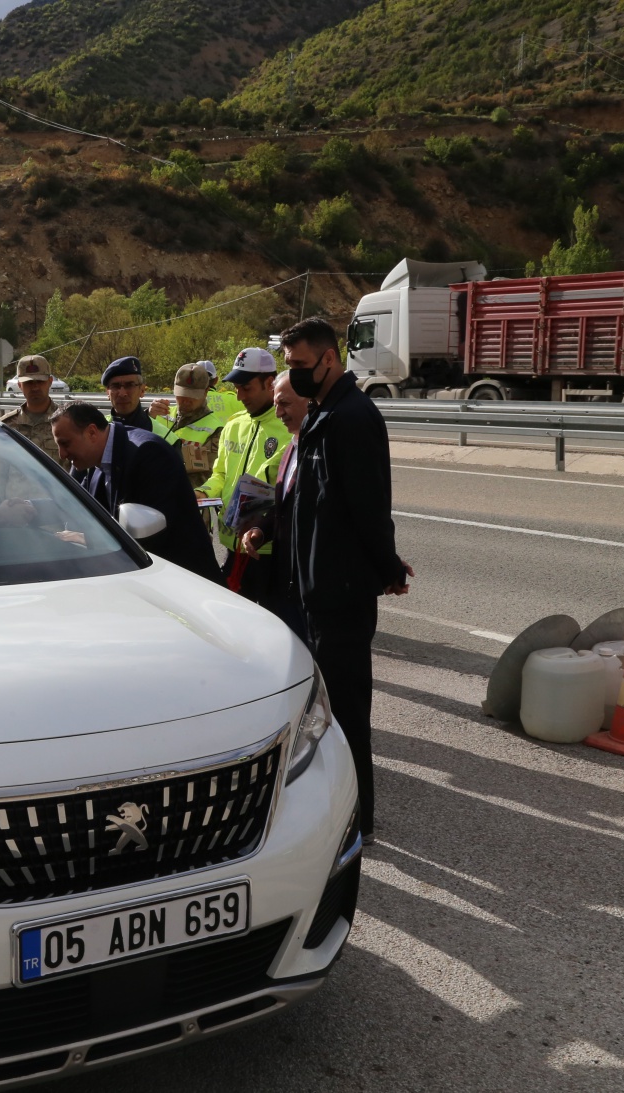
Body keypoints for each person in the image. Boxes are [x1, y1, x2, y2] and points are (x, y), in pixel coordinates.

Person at [240, 318, 412, 837]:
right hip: (313, 590)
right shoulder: (322, 417)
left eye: (298, 366)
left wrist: (387, 568)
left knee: (346, 716)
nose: (295, 375)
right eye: (290, 365)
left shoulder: (352, 418)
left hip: (339, 594)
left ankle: (357, 822)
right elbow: (308, 506)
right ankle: (333, 811)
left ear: (329, 360)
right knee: (321, 713)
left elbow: (367, 508)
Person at [50, 403, 220, 583]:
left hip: (184, 585)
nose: (62, 454)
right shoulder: (91, 458)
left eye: (65, 443)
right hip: (145, 580)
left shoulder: (148, 454)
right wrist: (30, 508)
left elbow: (147, 537)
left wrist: (87, 538)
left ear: (92, 432)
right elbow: (73, 502)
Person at [197, 347, 291, 603]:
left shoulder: (288, 428)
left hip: (268, 549)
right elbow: (220, 474)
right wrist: (202, 492)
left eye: (246, 388)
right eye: (236, 387)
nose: (239, 396)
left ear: (269, 383)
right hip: (231, 544)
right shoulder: (234, 424)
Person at [162, 363, 225, 491]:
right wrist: (147, 418)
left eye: (193, 395)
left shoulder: (215, 430)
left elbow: (205, 478)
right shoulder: (159, 415)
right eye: (182, 394)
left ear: (206, 392)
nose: (186, 400)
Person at [0, 355, 66, 465]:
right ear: (20, 385)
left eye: (40, 381)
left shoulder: (66, 421)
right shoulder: (7, 426)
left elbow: (78, 470)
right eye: (29, 383)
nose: (35, 388)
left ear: (50, 382)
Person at [100, 357, 170, 437]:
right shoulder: (97, 431)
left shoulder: (165, 437)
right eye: (115, 386)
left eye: (130, 385)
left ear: (142, 390)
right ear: (108, 392)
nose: (122, 394)